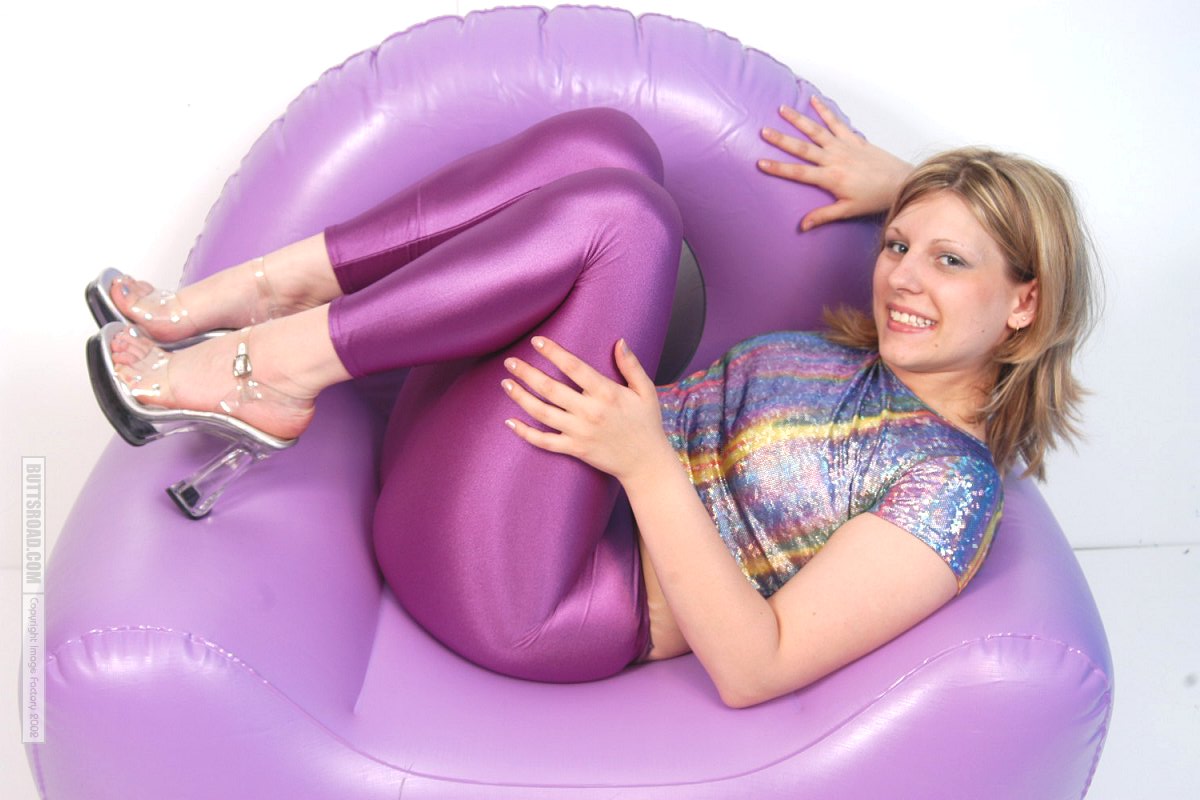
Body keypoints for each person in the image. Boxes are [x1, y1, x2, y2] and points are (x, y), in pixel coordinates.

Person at [86, 100, 1097, 707]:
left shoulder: (950, 484)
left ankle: (268, 369)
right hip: (491, 487)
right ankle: (263, 292)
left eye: (948, 261)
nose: (902, 277)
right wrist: (916, 183)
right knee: (607, 142)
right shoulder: (855, 358)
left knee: (626, 222)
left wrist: (647, 464)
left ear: (1025, 302)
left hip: (532, 593)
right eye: (899, 245)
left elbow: (758, 665)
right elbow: (967, 245)